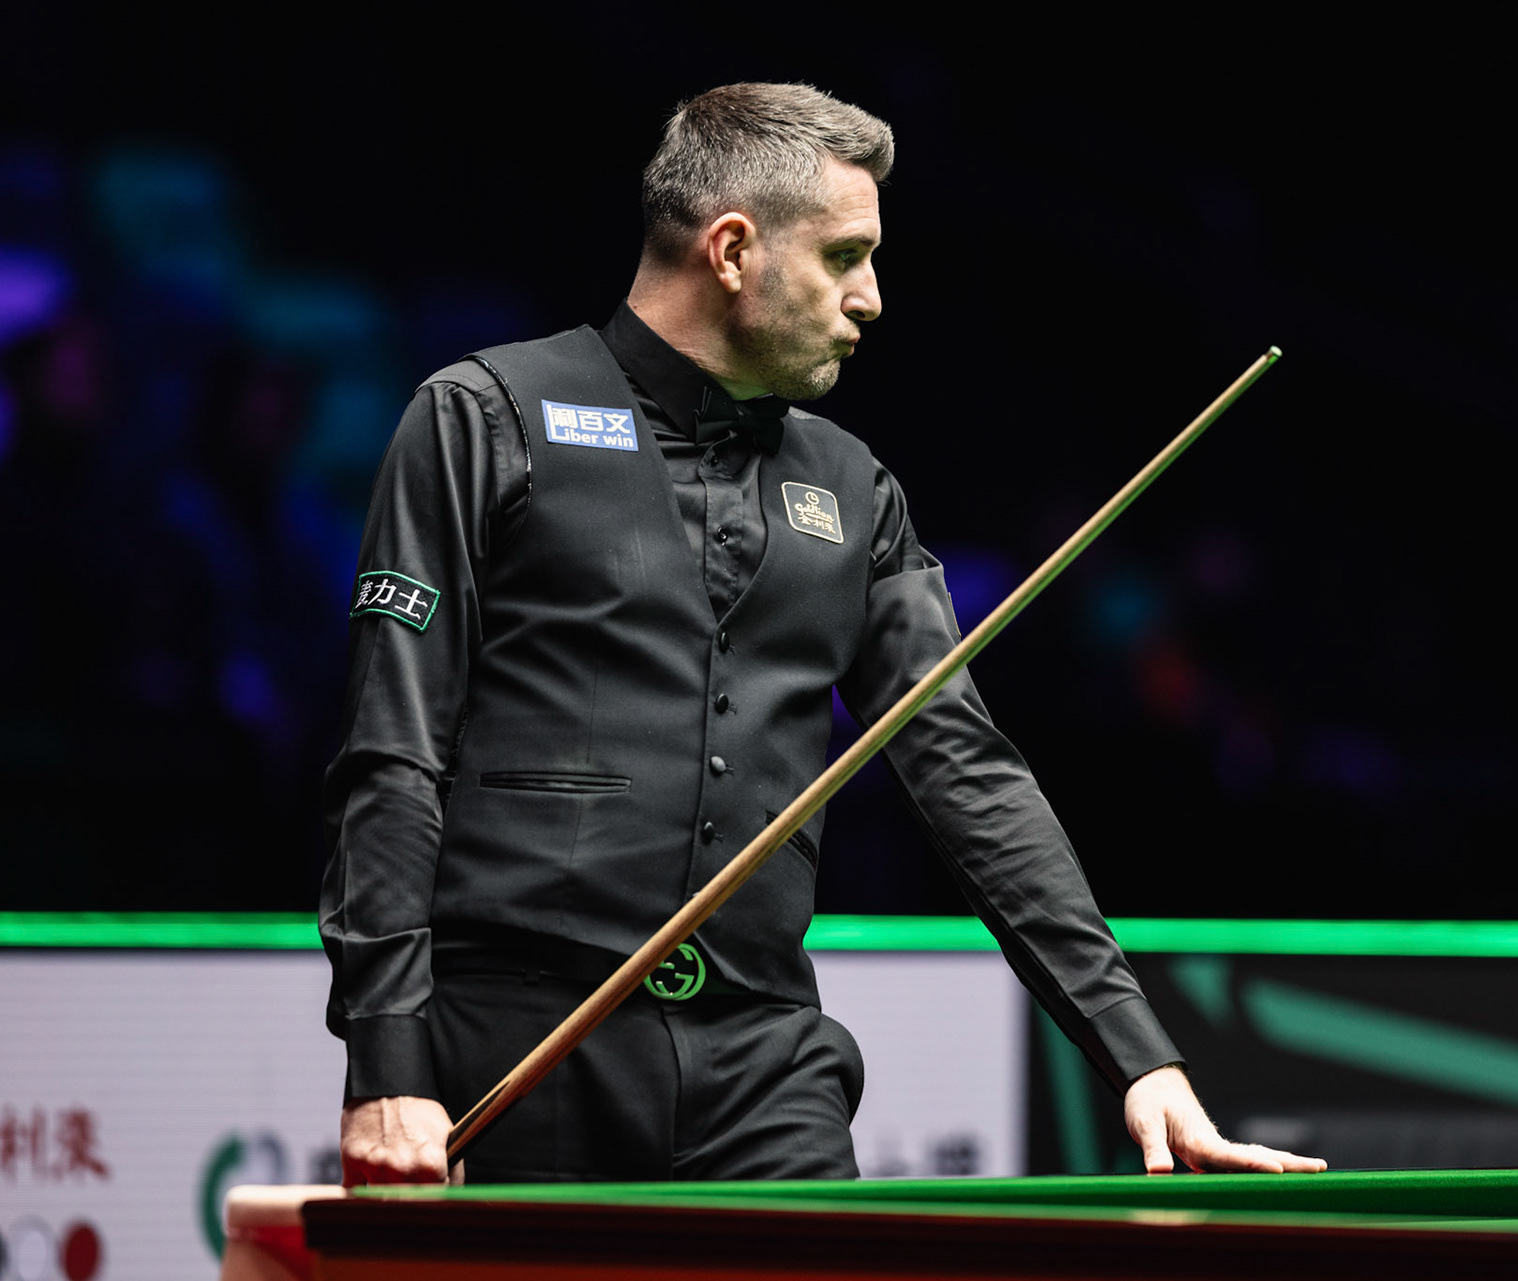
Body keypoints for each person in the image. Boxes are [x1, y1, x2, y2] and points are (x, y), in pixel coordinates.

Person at [320, 82, 1324, 1185]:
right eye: (845, 257)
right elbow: (392, 757)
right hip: (515, 1048)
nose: (873, 299)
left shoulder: (855, 490)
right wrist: (387, 1058)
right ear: (734, 249)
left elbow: (967, 775)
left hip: (764, 1070)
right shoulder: (484, 417)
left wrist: (1140, 1057)